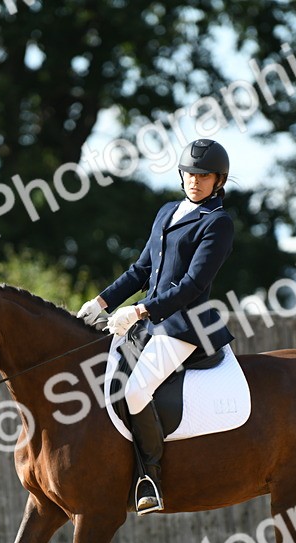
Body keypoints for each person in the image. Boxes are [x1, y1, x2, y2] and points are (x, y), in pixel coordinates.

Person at [76, 138, 236, 515]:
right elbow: (142, 270)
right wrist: (101, 302)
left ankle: (150, 478)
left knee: (134, 390)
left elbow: (193, 285)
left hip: (184, 326)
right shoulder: (167, 212)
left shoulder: (218, 222)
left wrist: (139, 311)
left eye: (204, 175)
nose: (195, 180)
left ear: (218, 180)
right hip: (148, 323)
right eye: (190, 174)